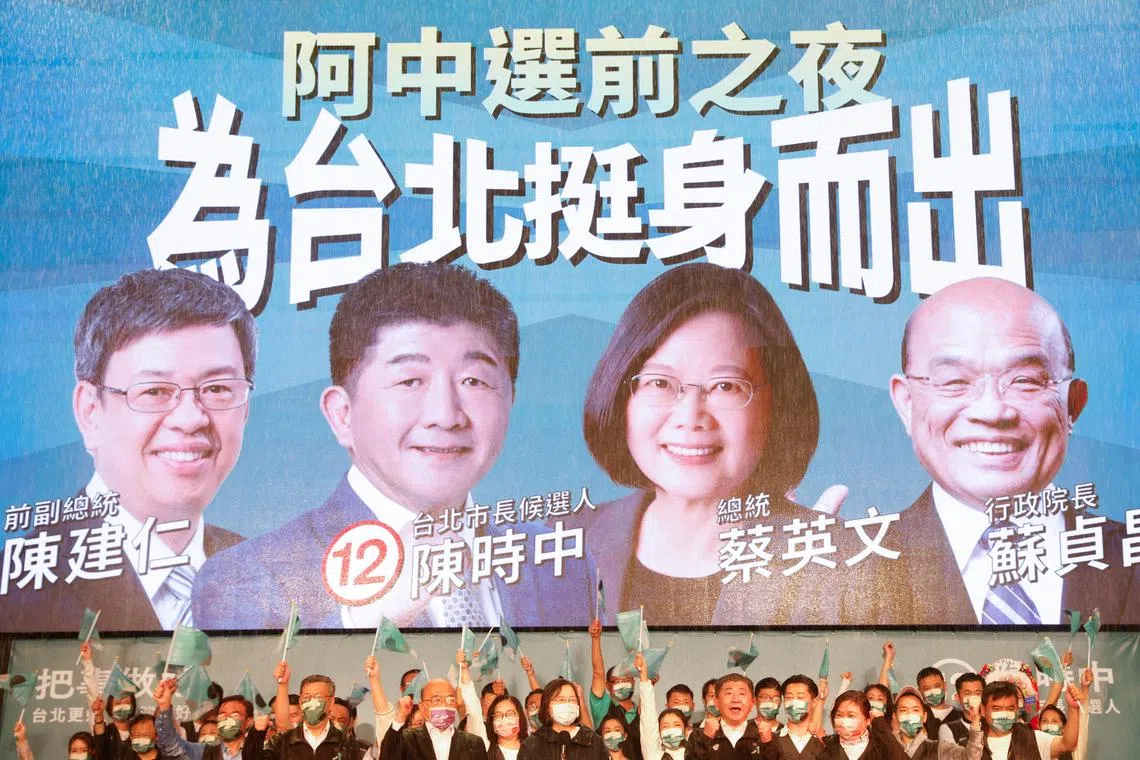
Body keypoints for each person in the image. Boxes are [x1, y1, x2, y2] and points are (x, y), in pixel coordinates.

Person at [193, 262, 592, 629]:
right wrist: (363, 621)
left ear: (510, 401)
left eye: (474, 381)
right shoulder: (245, 579)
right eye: (410, 381)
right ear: (342, 414)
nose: (446, 415)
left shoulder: (561, 563)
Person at [854, 277, 1139, 625]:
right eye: (954, 381)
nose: (992, 411)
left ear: (1073, 404)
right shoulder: (846, 571)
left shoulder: (1132, 560)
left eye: (1025, 380)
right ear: (907, 404)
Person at [581, 264, 842, 625]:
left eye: (726, 386)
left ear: (777, 405)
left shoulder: (834, 558)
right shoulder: (557, 543)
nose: (690, 417)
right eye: (660, 383)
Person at [0, 268, 255, 633]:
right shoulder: (17, 591)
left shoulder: (266, 574)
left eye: (217, 389)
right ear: (90, 411)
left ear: (245, 408)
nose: (190, 419)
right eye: (154, 391)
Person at [380, 672, 489, 760]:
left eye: (450, 700)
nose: (444, 705)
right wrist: (400, 716)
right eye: (437, 700)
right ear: (423, 707)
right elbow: (387, 757)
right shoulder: (407, 738)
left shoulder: (474, 743)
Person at [153, 678, 268, 759]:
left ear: (249, 722)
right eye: (222, 715)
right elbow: (171, 745)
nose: (227, 719)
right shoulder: (204, 751)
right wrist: (164, 706)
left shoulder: (260, 751)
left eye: (234, 715)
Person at [266, 662, 358, 759]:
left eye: (318, 697)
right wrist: (282, 685)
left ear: (331, 702)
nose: (312, 702)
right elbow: (282, 724)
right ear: (300, 701)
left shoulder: (347, 744)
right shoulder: (284, 740)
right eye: (307, 697)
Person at [979, 680, 1080, 759]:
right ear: (983, 710)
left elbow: (1068, 744)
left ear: (1017, 710)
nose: (1004, 714)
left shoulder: (1032, 738)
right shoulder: (973, 742)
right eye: (997, 708)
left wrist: (1073, 708)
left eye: (1010, 708)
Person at [687, 673, 776, 760]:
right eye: (729, 693)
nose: (735, 699)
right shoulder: (697, 736)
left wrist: (767, 743)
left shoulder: (769, 737)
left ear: (752, 702)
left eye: (742, 693)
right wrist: (706, 739)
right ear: (717, 702)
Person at [589, 618, 643, 760]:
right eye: (617, 681)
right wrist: (596, 639)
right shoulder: (603, 706)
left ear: (633, 682)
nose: (622, 684)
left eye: (626, 680)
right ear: (608, 685)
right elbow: (598, 673)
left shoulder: (641, 711)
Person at [519, 678, 607, 760]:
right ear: (547, 706)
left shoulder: (594, 741)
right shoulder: (532, 744)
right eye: (561, 700)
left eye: (572, 700)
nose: (567, 704)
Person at [888, 686, 983, 759]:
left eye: (915, 710)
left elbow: (970, 757)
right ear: (895, 716)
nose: (910, 715)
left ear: (924, 717)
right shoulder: (884, 747)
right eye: (904, 710)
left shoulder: (939, 748)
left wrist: (975, 720)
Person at [636, 651, 689, 760]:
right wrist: (644, 676)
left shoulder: (696, 754)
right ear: (658, 733)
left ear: (686, 730)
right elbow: (648, 717)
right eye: (665, 726)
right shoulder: (653, 754)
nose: (671, 730)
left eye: (676, 725)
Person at [772, 675, 823, 759]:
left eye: (800, 697)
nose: (793, 702)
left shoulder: (823, 743)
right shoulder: (771, 741)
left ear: (814, 702)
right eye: (789, 697)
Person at [938, 674, 985, 747]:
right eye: (967, 693)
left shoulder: (992, 725)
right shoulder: (948, 729)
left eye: (978, 693)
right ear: (958, 698)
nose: (973, 697)